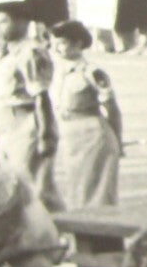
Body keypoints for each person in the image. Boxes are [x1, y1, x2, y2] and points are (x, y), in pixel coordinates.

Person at [0, 0, 58, 209]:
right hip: (2, 125)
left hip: (24, 124)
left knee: (31, 186)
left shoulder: (31, 52)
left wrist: (45, 133)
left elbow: (41, 96)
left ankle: (49, 224)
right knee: (11, 185)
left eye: (3, 22)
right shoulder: (1, 55)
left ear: (22, 22)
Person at [48, 20, 121, 210]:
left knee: (96, 192)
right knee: (75, 188)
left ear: (78, 43)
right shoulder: (55, 71)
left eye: (62, 43)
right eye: (54, 43)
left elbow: (112, 108)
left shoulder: (92, 72)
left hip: (92, 135)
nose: (56, 48)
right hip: (68, 134)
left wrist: (117, 139)